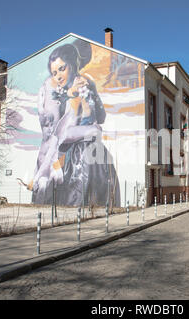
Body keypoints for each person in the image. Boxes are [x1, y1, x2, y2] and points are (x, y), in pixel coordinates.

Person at [29, 40, 120, 207]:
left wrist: (91, 92)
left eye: (62, 69)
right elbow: (59, 134)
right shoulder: (52, 91)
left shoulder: (85, 84)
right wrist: (70, 98)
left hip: (90, 156)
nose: (58, 76)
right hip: (65, 157)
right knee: (66, 203)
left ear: (73, 64)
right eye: (54, 72)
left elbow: (101, 117)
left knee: (92, 202)